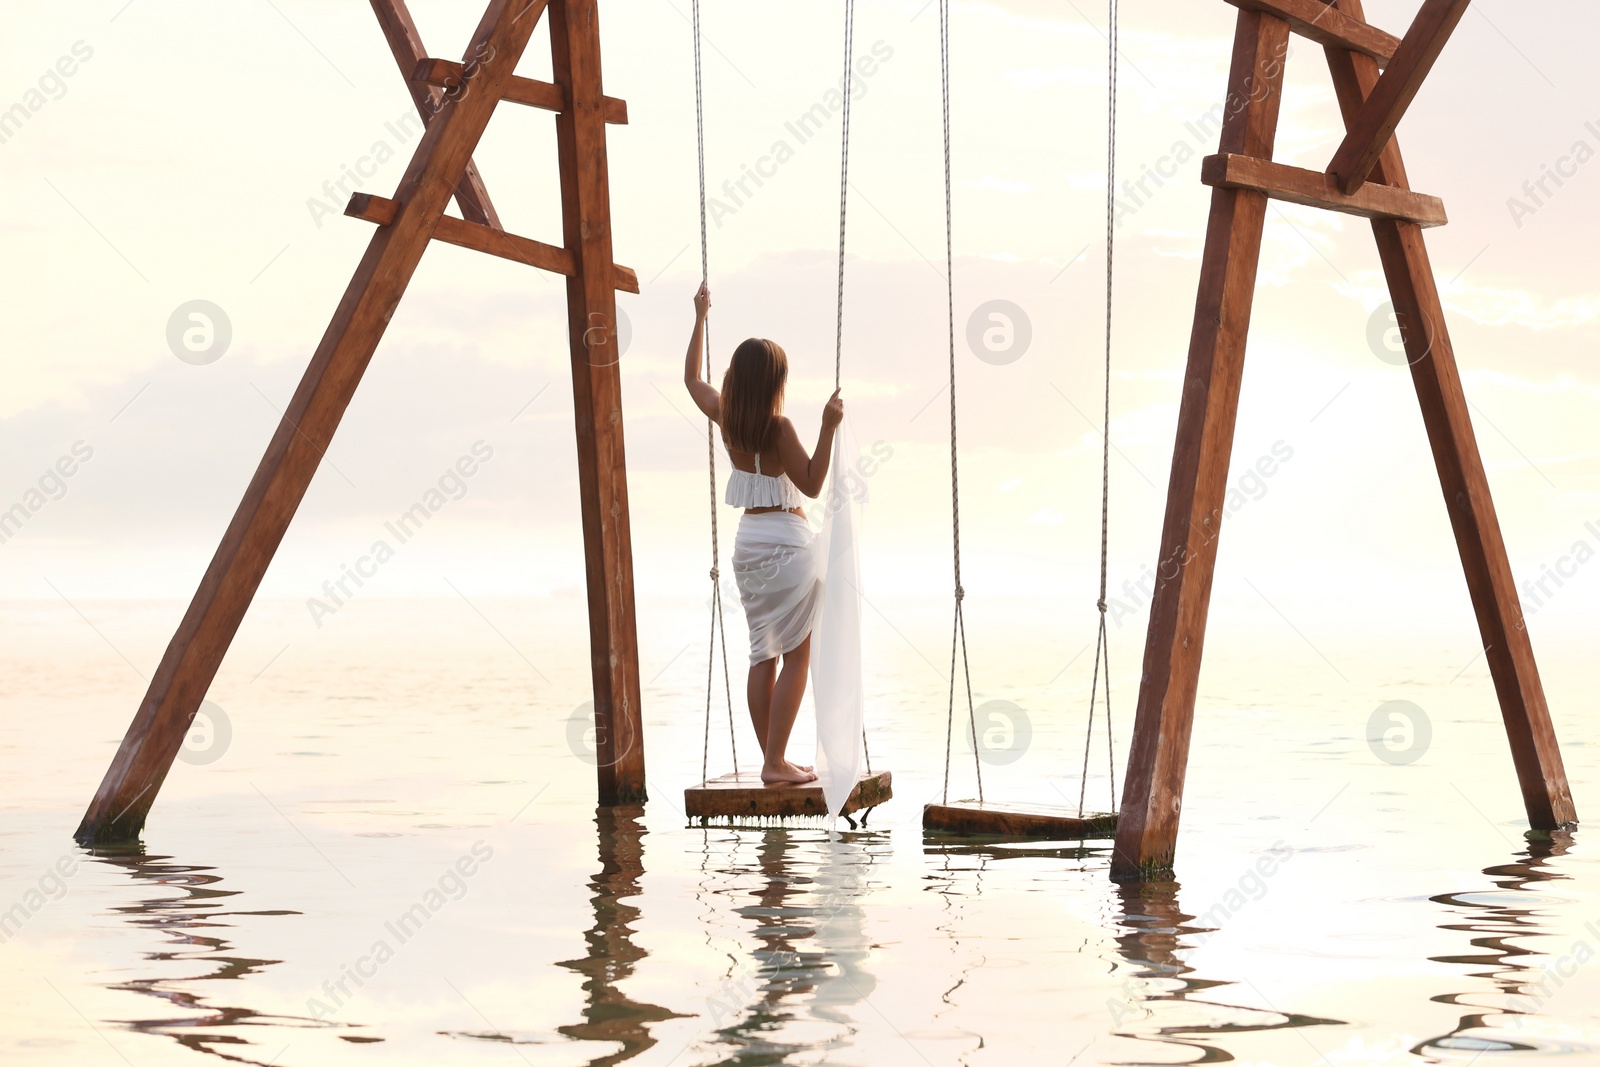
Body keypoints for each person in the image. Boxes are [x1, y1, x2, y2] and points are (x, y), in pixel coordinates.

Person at [683, 283, 844, 786]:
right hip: (788, 545)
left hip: (747, 546)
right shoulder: (779, 428)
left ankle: (773, 759)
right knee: (797, 651)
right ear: (774, 382)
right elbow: (813, 484)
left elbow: (691, 380)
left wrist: (700, 318)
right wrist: (829, 426)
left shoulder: (726, 418)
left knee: (762, 653)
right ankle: (776, 762)